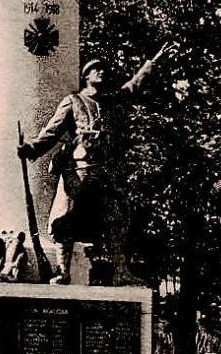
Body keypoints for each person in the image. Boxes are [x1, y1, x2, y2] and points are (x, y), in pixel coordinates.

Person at [18, 43, 173, 284]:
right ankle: (63, 272)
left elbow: (133, 86)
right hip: (78, 170)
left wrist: (152, 62)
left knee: (117, 217)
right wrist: (32, 148)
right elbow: (53, 131)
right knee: (64, 219)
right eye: (96, 69)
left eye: (103, 69)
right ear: (86, 76)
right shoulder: (73, 101)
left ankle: (121, 271)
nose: (102, 72)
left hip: (105, 172)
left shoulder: (110, 102)